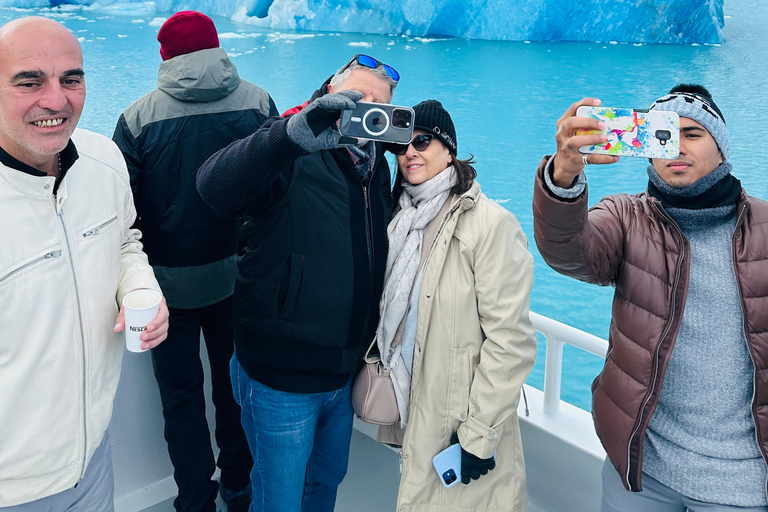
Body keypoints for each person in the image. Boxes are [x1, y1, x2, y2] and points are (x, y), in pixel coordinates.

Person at [532, 84, 768, 511]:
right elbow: (568, 250)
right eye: (661, 133)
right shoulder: (626, 217)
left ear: (722, 147)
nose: (675, 146)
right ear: (644, 147)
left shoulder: (765, 227)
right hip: (642, 471)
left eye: (692, 134)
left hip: (743, 481)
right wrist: (564, 171)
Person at [196, 54, 397, 511]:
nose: (367, 111)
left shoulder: (376, 167)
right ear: (330, 94)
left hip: (342, 374)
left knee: (323, 487)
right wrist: (287, 138)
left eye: (379, 106)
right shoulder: (289, 149)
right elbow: (213, 187)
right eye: (357, 98)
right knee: (279, 500)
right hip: (280, 378)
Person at [0, 16, 169, 511]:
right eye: (29, 81)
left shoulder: (103, 159)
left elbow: (124, 241)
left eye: (71, 78)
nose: (56, 100)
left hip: (93, 461)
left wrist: (140, 289)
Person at [112, 11, 278, 512]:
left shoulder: (138, 117)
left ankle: (194, 499)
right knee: (234, 390)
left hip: (165, 290)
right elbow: (275, 187)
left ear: (165, 56)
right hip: (239, 277)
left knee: (181, 398)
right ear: (216, 47)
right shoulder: (258, 101)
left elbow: (123, 209)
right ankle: (240, 489)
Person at [375, 100, 537, 511]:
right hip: (414, 412)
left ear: (449, 148)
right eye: (400, 146)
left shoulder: (489, 224)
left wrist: (478, 437)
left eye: (423, 141)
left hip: (461, 426)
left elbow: (510, 341)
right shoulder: (399, 218)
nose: (409, 152)